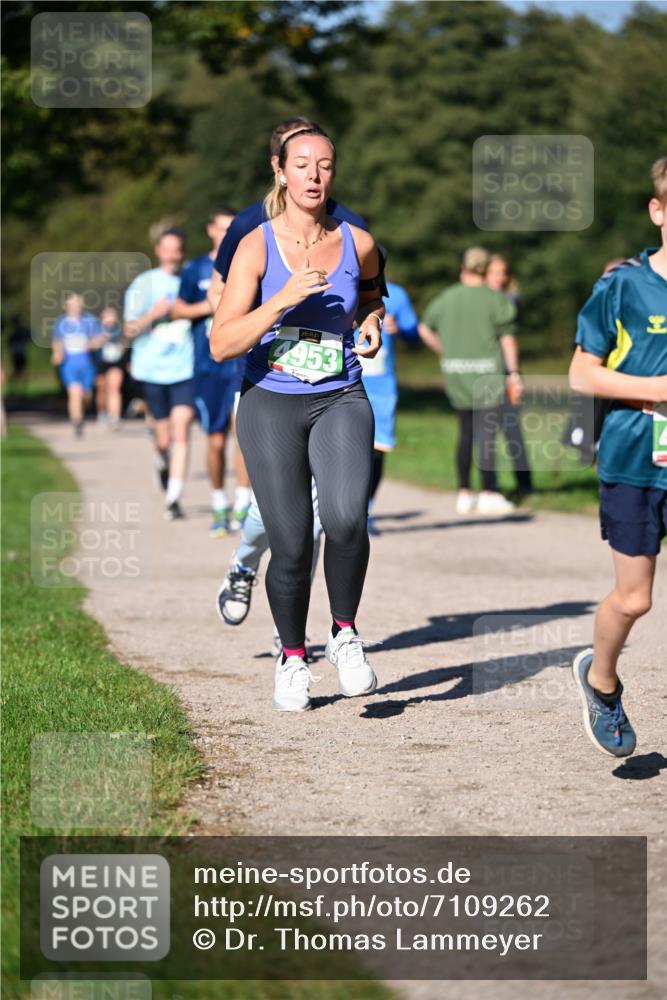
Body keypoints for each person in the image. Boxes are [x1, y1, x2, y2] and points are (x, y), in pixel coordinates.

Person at [210, 126, 385, 712]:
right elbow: (221, 342)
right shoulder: (256, 247)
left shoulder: (357, 241)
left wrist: (371, 320)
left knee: (345, 518)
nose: (315, 175)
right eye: (303, 164)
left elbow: (372, 292)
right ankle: (291, 657)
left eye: (326, 165)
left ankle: (344, 634)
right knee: (289, 544)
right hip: (271, 401)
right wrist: (280, 300)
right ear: (280, 172)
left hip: (340, 395)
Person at [568, 156, 667, 758]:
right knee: (635, 598)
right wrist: (659, 389)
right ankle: (601, 681)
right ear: (658, 211)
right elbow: (582, 373)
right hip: (637, 457)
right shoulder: (625, 286)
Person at [418, 246, 521, 516]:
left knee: (465, 433)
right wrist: (513, 372)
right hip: (487, 375)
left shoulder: (446, 298)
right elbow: (507, 339)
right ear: (486, 269)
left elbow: (424, 328)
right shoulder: (496, 300)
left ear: (463, 267)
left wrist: (444, 350)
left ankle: (464, 493)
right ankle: (488, 492)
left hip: (456, 373)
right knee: (486, 435)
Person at [172, 209, 252, 536]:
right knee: (215, 440)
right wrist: (213, 304)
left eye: (231, 228)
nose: (226, 234)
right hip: (208, 367)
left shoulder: (250, 261)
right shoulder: (195, 269)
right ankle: (219, 503)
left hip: (243, 363)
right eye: (221, 229)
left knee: (244, 437)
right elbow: (178, 309)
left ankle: (243, 504)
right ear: (210, 231)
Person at [123, 228, 195, 520]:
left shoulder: (189, 281)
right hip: (152, 370)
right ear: (158, 250)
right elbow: (128, 330)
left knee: (183, 430)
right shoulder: (144, 283)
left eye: (177, 249)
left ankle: (174, 498)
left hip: (184, 368)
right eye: (168, 249)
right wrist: (155, 313)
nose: (173, 254)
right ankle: (161, 461)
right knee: (163, 438)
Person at [360, 278, 419, 533]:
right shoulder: (334, 284)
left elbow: (414, 335)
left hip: (381, 386)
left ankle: (365, 509)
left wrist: (400, 331)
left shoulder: (395, 294)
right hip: (341, 380)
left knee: (377, 450)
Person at [485, 254, 533, 497]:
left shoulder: (510, 300)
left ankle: (525, 484)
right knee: (486, 433)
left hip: (507, 373)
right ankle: (489, 486)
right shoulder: (479, 301)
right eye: (494, 272)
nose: (499, 277)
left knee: (513, 430)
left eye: (503, 272)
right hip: (484, 375)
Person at [51, 293, 107, 436]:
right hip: (69, 363)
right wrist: (57, 353)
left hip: (87, 362)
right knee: (74, 392)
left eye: (78, 303)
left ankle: (81, 412)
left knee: (85, 395)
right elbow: (57, 341)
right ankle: (77, 422)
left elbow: (101, 338)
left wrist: (92, 344)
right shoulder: (61, 322)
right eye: (72, 303)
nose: (75, 306)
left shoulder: (89, 320)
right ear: (66, 306)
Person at [93, 306, 126, 430]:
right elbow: (90, 346)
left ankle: (115, 417)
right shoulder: (96, 330)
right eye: (107, 316)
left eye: (112, 316)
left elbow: (126, 345)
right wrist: (100, 340)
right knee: (102, 390)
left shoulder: (119, 330)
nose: (110, 319)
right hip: (100, 364)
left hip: (115, 363)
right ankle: (102, 413)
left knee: (114, 388)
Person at [8, 314, 31, 393]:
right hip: (17, 354)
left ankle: (22, 390)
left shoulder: (18, 332)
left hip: (20, 354)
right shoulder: (14, 333)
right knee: (17, 371)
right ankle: (17, 389)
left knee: (22, 371)